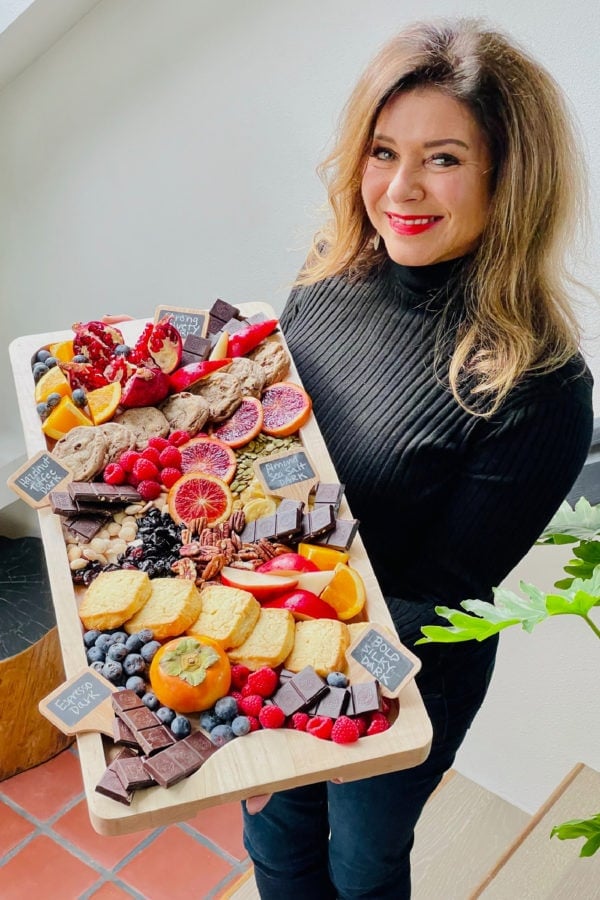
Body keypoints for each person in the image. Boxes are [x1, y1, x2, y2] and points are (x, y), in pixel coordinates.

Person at [242, 17, 594, 899]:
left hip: (409, 668)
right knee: (276, 838)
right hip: (283, 624)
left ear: (510, 180)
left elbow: (438, 594)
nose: (400, 189)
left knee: (363, 863)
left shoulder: (538, 382)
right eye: (381, 151)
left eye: (442, 158)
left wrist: (267, 655)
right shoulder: (329, 275)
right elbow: (286, 452)